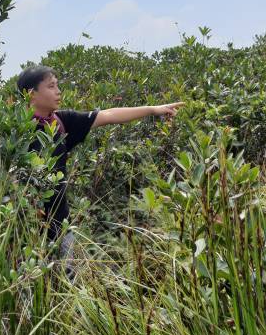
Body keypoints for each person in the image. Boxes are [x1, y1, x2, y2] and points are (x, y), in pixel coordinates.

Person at [16, 64, 184, 279]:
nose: (58, 91)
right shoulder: (17, 132)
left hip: (61, 224)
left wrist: (153, 109)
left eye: (57, 85)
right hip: (26, 228)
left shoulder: (60, 122)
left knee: (66, 284)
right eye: (51, 86)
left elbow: (109, 114)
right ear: (31, 94)